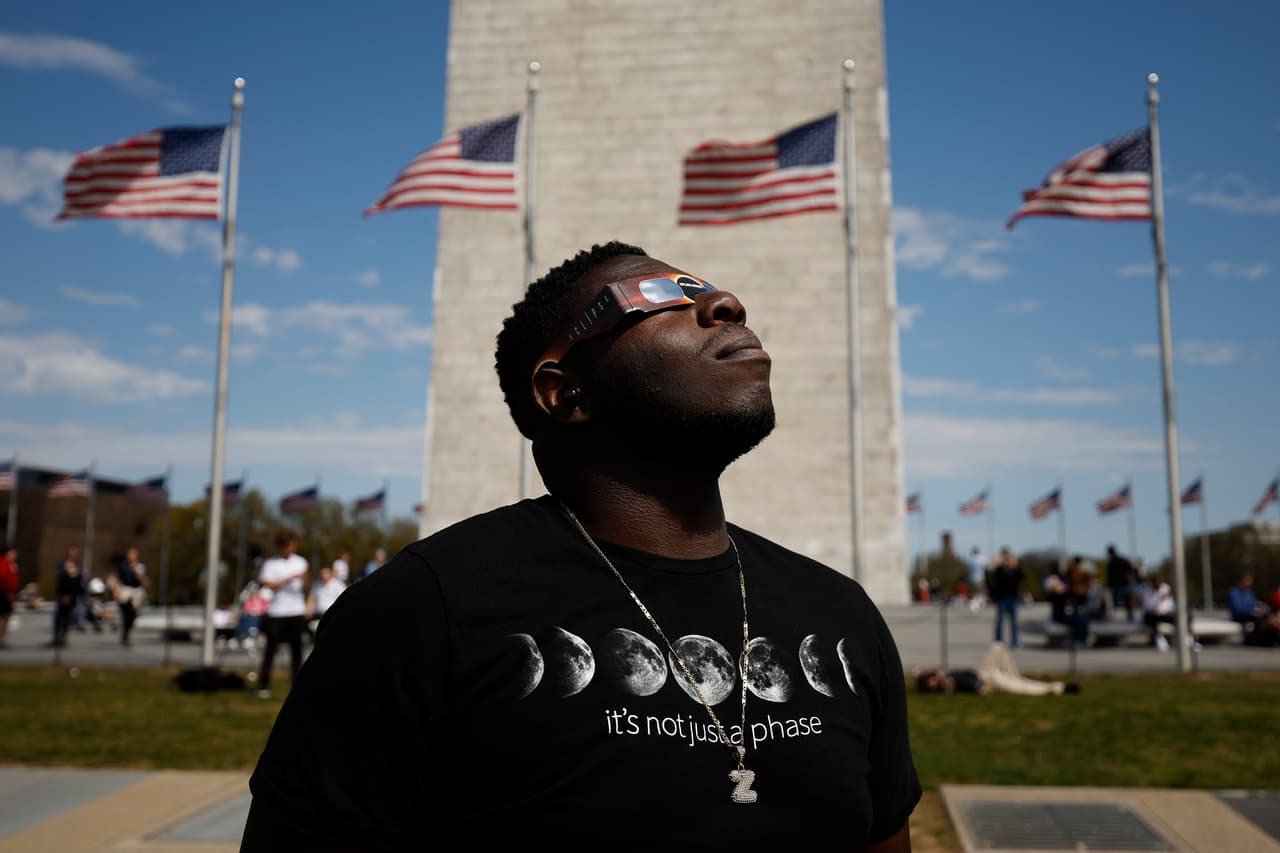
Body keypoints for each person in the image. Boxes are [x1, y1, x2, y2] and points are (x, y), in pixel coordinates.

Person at [242, 241, 921, 850]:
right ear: (564, 392)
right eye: (658, 296)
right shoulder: (420, 612)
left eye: (705, 286)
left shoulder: (840, 614)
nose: (724, 303)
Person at [255, 529, 310, 699]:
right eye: (285, 546)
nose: (289, 548)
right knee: (271, 649)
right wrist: (288, 579)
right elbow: (267, 585)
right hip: (277, 611)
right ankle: (263, 685)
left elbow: (307, 584)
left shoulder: (301, 562)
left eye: (291, 545)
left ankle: (297, 686)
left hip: (296, 610)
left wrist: (303, 578)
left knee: (297, 650)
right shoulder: (271, 564)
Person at [915, 643, 1079, 697]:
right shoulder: (944, 684)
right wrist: (979, 687)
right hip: (988, 679)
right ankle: (1057, 688)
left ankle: (1016, 677)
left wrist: (926, 671)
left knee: (997, 646)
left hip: (982, 671)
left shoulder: (939, 675)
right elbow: (964, 683)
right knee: (1022, 688)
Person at [111, 547, 149, 647]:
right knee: (126, 612)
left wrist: (139, 575)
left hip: (137, 591)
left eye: (133, 554)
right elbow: (116, 578)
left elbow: (146, 583)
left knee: (133, 615)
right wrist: (116, 591)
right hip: (125, 590)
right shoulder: (123, 566)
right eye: (130, 554)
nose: (131, 556)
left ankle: (126, 633)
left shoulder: (141, 567)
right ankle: (125, 635)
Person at [989, 547, 1024, 648]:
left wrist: (1015, 567)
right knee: (1000, 620)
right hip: (1002, 597)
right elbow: (994, 582)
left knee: (1014, 621)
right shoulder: (999, 569)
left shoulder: (1016, 568)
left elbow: (1021, 577)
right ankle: (998, 640)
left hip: (1013, 597)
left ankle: (1015, 641)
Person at [51, 546, 83, 647]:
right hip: (63, 594)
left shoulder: (77, 566)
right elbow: (59, 578)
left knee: (67, 617)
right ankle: (56, 637)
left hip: (72, 595)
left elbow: (79, 580)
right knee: (59, 616)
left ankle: (63, 637)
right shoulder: (63, 564)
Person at [304, 565, 346, 638]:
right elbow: (312, 598)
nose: (323, 575)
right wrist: (308, 610)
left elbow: (344, 599)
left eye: (325, 573)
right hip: (319, 615)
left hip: (333, 615)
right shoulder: (316, 585)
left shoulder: (338, 584)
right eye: (322, 573)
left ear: (330, 574)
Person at [1227, 574, 1269, 646]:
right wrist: (1253, 611)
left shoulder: (1249, 592)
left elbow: (1254, 604)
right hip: (1239, 616)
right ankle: (1254, 640)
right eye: (1247, 581)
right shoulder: (1233, 592)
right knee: (1257, 619)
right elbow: (1238, 609)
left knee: (1266, 616)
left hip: (1250, 614)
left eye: (1250, 581)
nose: (1248, 583)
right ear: (1241, 581)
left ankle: (1264, 638)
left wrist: (1262, 609)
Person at [1141, 572, 1176, 650]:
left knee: (1180, 619)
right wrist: (1159, 597)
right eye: (1156, 583)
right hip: (1151, 614)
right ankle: (1160, 639)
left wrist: (1169, 610)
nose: (1158, 585)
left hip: (1164, 614)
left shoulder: (1166, 587)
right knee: (1154, 622)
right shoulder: (1146, 590)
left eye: (1160, 582)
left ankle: (1185, 638)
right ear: (1152, 583)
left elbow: (1169, 602)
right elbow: (1147, 605)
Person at [1104, 544, 1136, 621]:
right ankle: (1130, 618)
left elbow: (1109, 577)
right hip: (1125, 585)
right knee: (1128, 605)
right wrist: (1132, 582)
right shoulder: (1123, 560)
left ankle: (1114, 619)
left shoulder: (1111, 563)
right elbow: (1132, 572)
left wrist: (1108, 586)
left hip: (1117, 587)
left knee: (1115, 604)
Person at [0, 545, 18, 648]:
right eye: (13, 553)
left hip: (8, 593)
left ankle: (2, 637)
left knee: (6, 616)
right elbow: (3, 578)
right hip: (3, 593)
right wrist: (8, 592)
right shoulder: (4, 563)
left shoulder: (12, 564)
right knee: (3, 616)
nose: (15, 555)